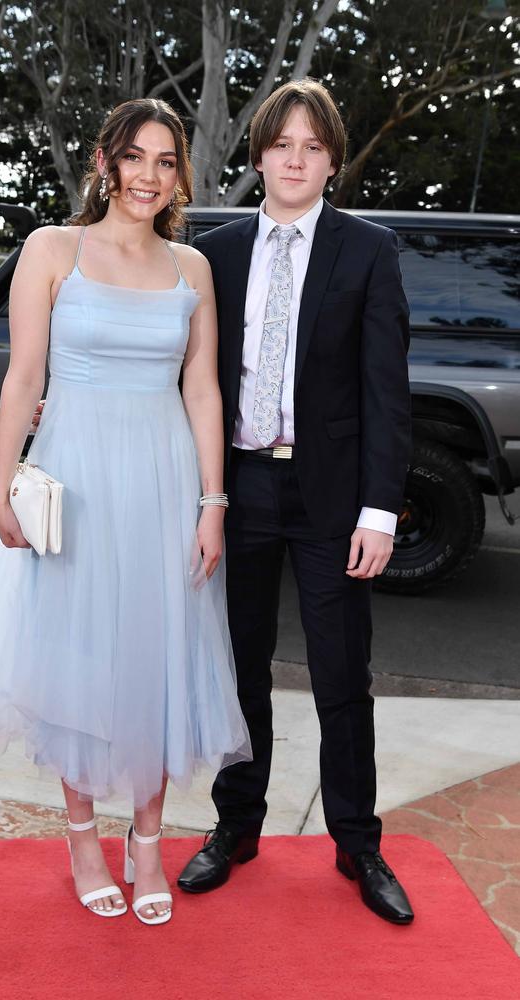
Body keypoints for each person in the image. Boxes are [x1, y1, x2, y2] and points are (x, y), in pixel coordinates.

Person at [0, 98, 251, 927]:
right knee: (77, 653)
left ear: (180, 173)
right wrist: (0, 481)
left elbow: (203, 389)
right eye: (134, 158)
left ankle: (147, 843)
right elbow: (22, 376)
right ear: (104, 163)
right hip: (76, 477)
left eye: (166, 161)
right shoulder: (52, 248)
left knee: (157, 657)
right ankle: (80, 836)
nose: (149, 176)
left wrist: (213, 503)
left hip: (167, 478)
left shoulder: (192, 269)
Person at [176, 79, 414, 924]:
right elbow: (186, 377)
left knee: (341, 674)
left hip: (330, 497)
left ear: (333, 161)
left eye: (314, 146)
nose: (296, 159)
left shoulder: (368, 251)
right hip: (237, 490)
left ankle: (358, 842)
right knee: (236, 668)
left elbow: (388, 391)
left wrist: (378, 511)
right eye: (283, 144)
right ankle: (236, 824)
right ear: (261, 154)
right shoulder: (217, 252)